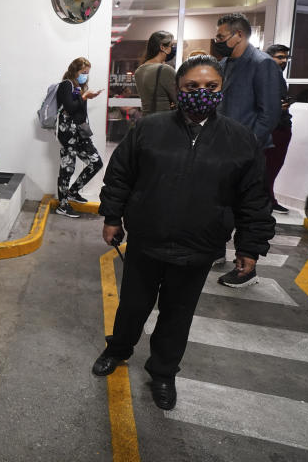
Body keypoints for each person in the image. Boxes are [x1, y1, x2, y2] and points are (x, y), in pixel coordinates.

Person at [92, 54, 274, 410]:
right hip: (147, 239)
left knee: (177, 315)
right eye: (192, 86)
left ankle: (162, 372)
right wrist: (112, 217)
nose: (201, 93)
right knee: (132, 306)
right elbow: (120, 176)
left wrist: (249, 246)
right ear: (178, 89)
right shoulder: (149, 128)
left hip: (199, 248)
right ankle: (118, 350)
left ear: (222, 90)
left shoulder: (240, 140)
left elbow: (253, 199)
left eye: (210, 87)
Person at [212, 13, 281, 286]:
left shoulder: (262, 64)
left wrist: (248, 145)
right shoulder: (225, 63)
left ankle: (246, 266)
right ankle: (216, 251)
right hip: (222, 148)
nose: (217, 41)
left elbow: (269, 113)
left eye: (221, 37)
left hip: (248, 150)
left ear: (238, 35)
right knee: (219, 204)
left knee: (249, 210)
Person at [54, 57, 104, 218]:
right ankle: (62, 205)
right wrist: (84, 97)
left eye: (87, 73)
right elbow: (70, 107)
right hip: (68, 133)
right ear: (74, 70)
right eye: (83, 72)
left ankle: (73, 192)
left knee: (96, 162)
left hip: (80, 132)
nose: (85, 76)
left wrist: (88, 96)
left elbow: (79, 111)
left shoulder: (79, 87)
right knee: (67, 169)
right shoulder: (66, 85)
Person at [265, 44, 293, 213]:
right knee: (268, 166)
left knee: (273, 166)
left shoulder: (277, 76)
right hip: (273, 128)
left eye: (286, 58)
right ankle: (266, 200)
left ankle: (268, 197)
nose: (284, 61)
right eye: (280, 57)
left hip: (280, 125)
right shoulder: (266, 76)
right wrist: (277, 107)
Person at [134, 31, 178, 115]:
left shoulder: (139, 70)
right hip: (163, 121)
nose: (172, 48)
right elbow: (179, 100)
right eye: (171, 46)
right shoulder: (165, 70)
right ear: (162, 47)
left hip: (146, 121)